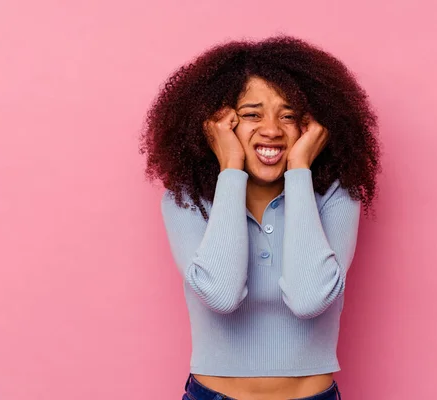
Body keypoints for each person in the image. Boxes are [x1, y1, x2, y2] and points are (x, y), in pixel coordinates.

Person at [140, 35, 380, 400]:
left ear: (310, 126)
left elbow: (309, 299)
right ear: (220, 125)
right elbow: (221, 295)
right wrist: (230, 170)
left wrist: (299, 171)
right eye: (251, 114)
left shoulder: (335, 196)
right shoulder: (187, 200)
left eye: (289, 116)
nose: (271, 129)